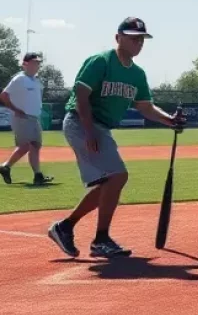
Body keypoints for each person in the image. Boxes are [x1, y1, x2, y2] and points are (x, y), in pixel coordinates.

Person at [47, 19, 186, 259]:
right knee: (118, 175)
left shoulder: (137, 75)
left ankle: (65, 227)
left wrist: (170, 120)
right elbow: (80, 95)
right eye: (133, 37)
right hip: (81, 123)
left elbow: (146, 107)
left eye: (141, 38)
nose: (138, 42)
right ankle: (101, 240)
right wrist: (89, 131)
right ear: (118, 37)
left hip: (101, 128)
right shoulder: (101, 61)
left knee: (109, 182)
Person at [1, 52, 52, 186]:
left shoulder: (36, 81)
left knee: (32, 145)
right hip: (22, 117)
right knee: (28, 145)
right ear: (25, 64)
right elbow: (4, 95)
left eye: (38, 63)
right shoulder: (19, 79)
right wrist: (16, 110)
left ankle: (33, 174)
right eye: (34, 62)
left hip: (34, 117)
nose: (37, 65)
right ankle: (9, 167)